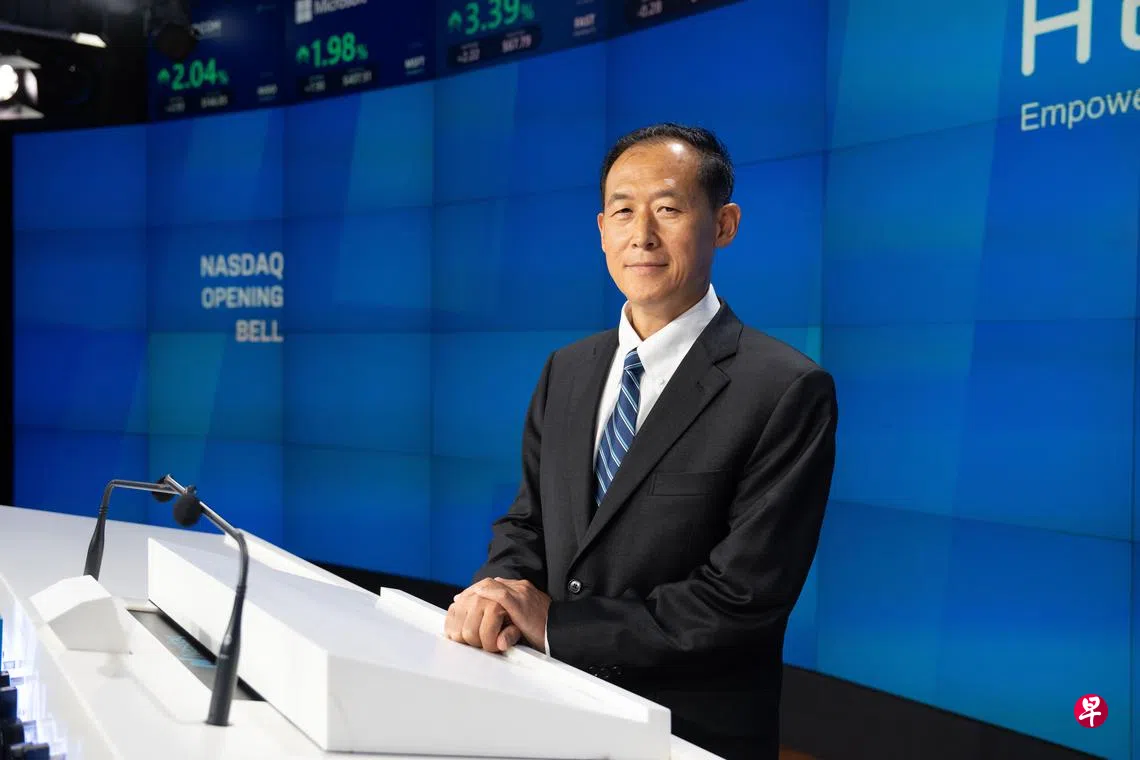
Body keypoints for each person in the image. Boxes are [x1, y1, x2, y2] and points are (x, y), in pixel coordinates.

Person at [443, 123, 838, 759]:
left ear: (724, 224)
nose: (642, 235)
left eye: (668, 209)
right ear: (602, 229)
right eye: (623, 212)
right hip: (542, 708)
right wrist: (497, 594)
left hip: (686, 734)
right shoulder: (567, 370)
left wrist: (557, 625)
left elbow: (742, 599)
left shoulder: (786, 389)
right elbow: (528, 521)